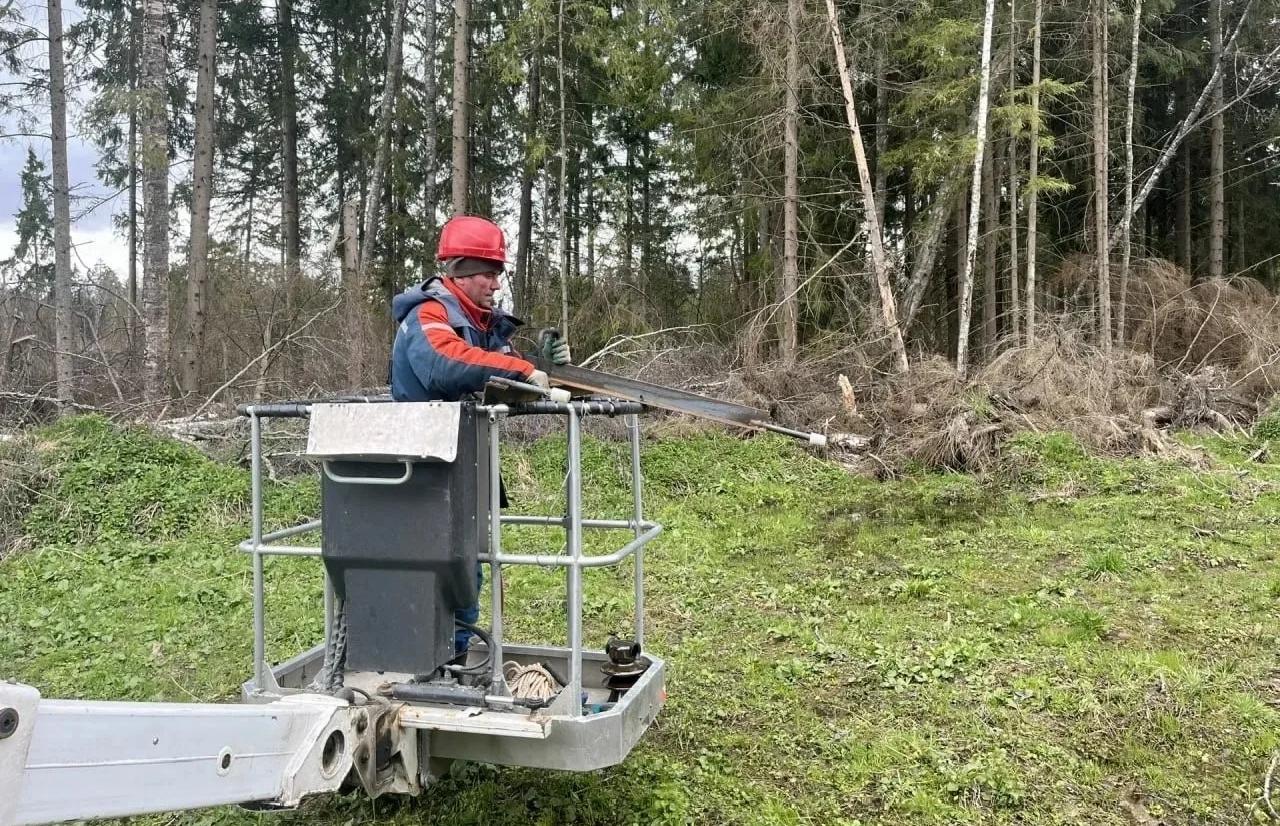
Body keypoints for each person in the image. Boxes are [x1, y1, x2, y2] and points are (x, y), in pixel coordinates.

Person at [389, 215, 571, 653]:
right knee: (434, 570)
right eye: (489, 273)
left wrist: (545, 366)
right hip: (422, 471)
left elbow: (501, 369)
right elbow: (446, 363)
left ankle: (454, 658)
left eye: (497, 273)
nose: (496, 283)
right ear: (462, 272)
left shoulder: (482, 323)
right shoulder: (428, 314)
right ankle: (423, 658)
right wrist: (524, 369)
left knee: (464, 568)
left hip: (460, 464)